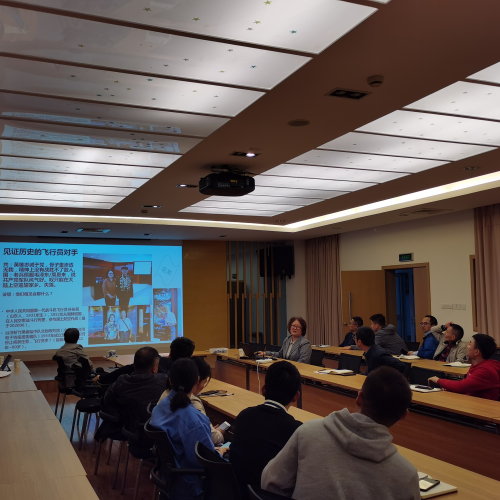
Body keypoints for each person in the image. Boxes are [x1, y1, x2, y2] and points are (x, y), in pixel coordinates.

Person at [261, 367, 420, 500]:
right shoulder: (407, 475)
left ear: (359, 398)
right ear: (403, 415)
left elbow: (270, 483)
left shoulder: (307, 432)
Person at [230, 361, 302, 499]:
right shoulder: (296, 430)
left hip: (239, 494)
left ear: (263, 390)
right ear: (296, 397)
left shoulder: (244, 415)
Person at [150, 358, 217, 500]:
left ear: (170, 380)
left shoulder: (160, 407)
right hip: (191, 485)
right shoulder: (194, 421)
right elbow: (206, 461)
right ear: (197, 380)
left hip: (169, 478)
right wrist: (219, 452)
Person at [95, 346, 168, 443]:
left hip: (128, 427)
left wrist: (125, 410)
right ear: (154, 368)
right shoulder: (163, 381)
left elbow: (107, 400)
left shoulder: (121, 382)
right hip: (156, 432)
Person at [158, 356, 225, 445]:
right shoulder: (192, 408)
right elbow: (209, 438)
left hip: (170, 451)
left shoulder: (164, 398)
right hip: (187, 452)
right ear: (197, 380)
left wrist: (206, 429)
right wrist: (216, 433)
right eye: (204, 382)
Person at [93, 336, 196, 386]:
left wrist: (101, 377)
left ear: (170, 352)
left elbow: (126, 369)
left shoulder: (157, 362)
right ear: (190, 356)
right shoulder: (190, 373)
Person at [429, 333, 500, 400]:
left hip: (481, 406)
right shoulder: (476, 364)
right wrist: (450, 388)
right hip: (471, 401)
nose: (467, 346)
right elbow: (467, 387)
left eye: (470, 344)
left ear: (476, 352)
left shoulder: (486, 370)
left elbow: (462, 386)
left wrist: (438, 380)